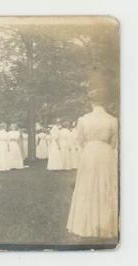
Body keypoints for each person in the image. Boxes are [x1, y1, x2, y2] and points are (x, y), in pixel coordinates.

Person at [67, 78, 118, 238]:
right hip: (106, 153)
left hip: (89, 152)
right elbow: (114, 142)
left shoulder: (83, 120)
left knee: (87, 186)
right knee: (106, 186)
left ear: (91, 102)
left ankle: (85, 224)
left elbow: (80, 141)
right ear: (105, 103)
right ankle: (105, 225)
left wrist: (90, 147)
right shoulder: (113, 120)